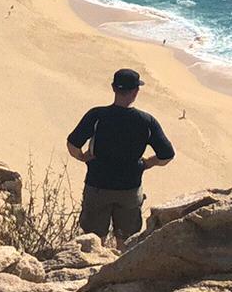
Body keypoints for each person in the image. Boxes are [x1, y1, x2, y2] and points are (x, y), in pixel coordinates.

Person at [67, 68, 175, 245]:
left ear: (113, 88)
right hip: (129, 189)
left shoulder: (97, 115)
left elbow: (72, 144)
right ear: (136, 91)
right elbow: (167, 155)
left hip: (97, 185)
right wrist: (148, 163)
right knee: (126, 242)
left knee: (93, 241)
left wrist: (83, 157)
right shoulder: (146, 121)